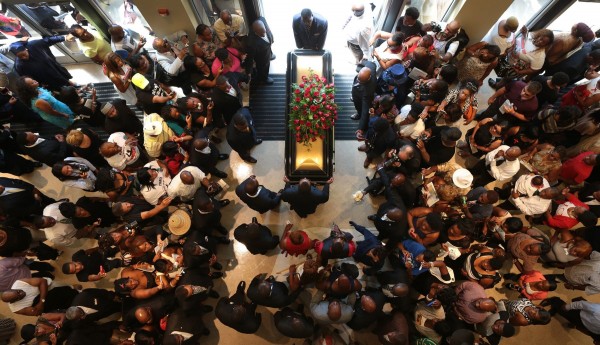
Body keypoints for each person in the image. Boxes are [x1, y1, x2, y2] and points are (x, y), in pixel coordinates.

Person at [351, 62, 377, 138]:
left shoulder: (369, 90)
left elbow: (365, 110)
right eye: (358, 79)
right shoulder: (370, 66)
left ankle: (358, 114)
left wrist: (360, 129)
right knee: (355, 96)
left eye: (361, 81)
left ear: (369, 78)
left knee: (359, 105)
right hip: (356, 90)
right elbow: (371, 63)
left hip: (363, 93)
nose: (358, 81)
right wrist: (361, 62)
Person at [247, 18, 274, 85]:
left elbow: (268, 32)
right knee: (264, 68)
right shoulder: (252, 44)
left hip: (267, 51)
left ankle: (270, 54)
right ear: (255, 32)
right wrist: (248, 71)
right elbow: (250, 57)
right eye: (261, 34)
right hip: (262, 59)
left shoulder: (262, 21)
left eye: (264, 31)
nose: (264, 34)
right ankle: (264, 78)